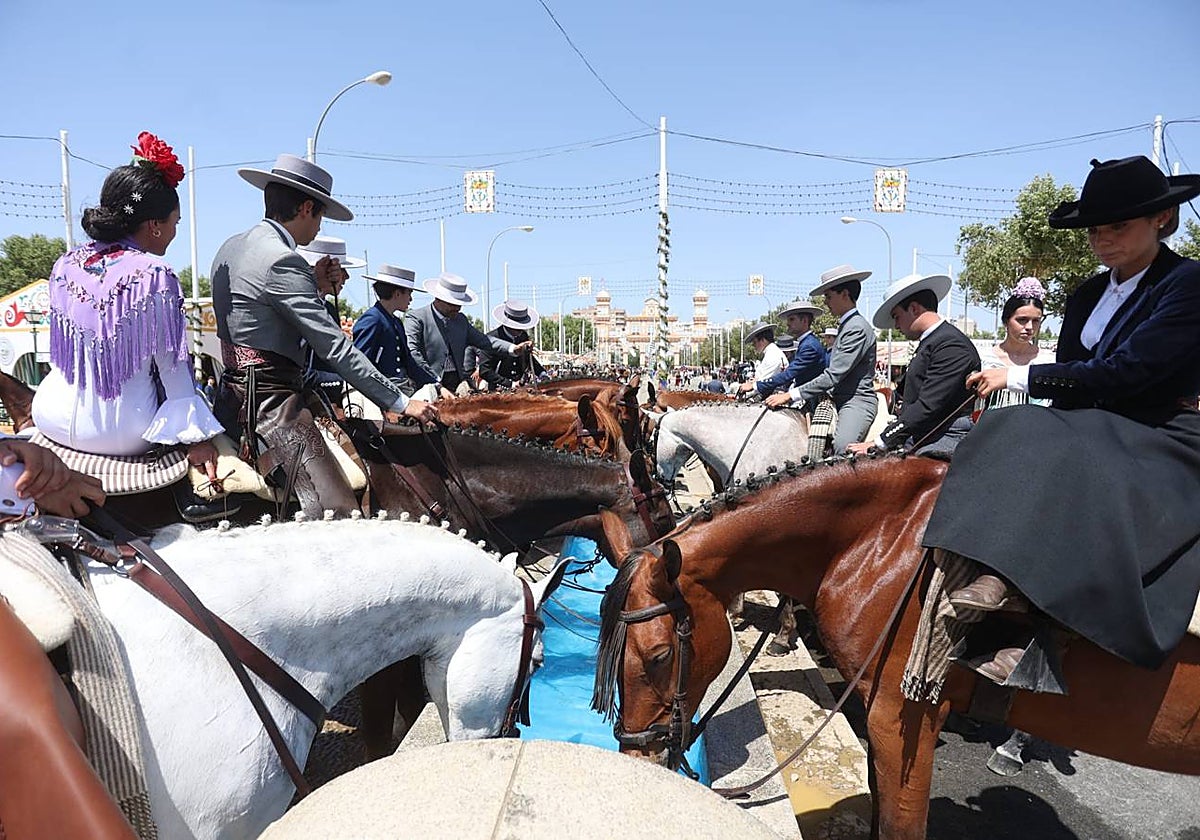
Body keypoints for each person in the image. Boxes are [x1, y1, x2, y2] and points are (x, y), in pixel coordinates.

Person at [922, 155, 1200, 684]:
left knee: (1053, 444)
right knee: (1008, 429)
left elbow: (1131, 372)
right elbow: (1077, 373)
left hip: (1161, 432)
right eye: (1096, 228)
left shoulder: (1188, 284)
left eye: (1118, 225)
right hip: (1092, 422)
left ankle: (1040, 627)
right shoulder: (1086, 294)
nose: (1103, 238)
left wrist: (1019, 378)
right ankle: (984, 569)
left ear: (1161, 219)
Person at [211, 154, 436, 518]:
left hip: (233, 394)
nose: (318, 230)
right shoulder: (283, 260)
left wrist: (312, 286)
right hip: (271, 404)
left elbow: (260, 314)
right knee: (339, 512)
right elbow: (335, 348)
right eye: (320, 217)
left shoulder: (232, 246)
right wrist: (401, 403)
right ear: (305, 208)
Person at [30, 133, 224, 495]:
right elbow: (172, 367)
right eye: (175, 223)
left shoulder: (66, 263)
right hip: (119, 435)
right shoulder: (155, 275)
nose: (174, 232)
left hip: (48, 415)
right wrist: (196, 440)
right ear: (154, 225)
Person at [847, 272, 979, 456]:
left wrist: (882, 441)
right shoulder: (933, 342)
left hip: (946, 434)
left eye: (896, 316)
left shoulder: (950, 345)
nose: (896, 325)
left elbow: (928, 405)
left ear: (914, 309)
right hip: (926, 431)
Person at [767, 264, 879, 453]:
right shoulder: (847, 325)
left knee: (843, 447)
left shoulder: (856, 328)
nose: (826, 302)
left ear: (844, 294)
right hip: (838, 397)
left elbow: (832, 376)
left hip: (855, 400)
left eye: (828, 296)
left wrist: (789, 395)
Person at [405, 273, 532, 399]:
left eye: (459, 304)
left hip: (457, 384)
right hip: (426, 387)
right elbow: (413, 354)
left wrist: (512, 348)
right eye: (452, 304)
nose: (458, 308)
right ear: (438, 299)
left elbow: (484, 340)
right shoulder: (416, 318)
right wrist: (436, 384)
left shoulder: (461, 321)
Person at [296, 235, 365, 408]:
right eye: (341, 269)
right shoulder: (295, 306)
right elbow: (300, 373)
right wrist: (343, 381)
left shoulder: (330, 309)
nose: (347, 277)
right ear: (321, 269)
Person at [352, 263, 439, 399]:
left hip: (401, 388)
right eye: (409, 293)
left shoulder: (396, 322)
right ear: (397, 293)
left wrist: (436, 385)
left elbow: (409, 362)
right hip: (380, 392)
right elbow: (361, 363)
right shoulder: (372, 319)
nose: (411, 299)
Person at [974, 277, 1056, 415]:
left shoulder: (1048, 361)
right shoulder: (984, 359)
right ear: (1006, 321)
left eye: (1036, 321)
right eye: (1022, 320)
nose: (1029, 327)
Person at [754, 300, 827, 400]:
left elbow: (789, 374)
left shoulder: (809, 346)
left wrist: (756, 386)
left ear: (804, 320)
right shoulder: (806, 343)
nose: (788, 324)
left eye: (792, 319)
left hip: (812, 400)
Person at [478, 300, 545, 391]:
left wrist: (542, 373)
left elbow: (528, 359)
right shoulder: (491, 339)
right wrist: (509, 384)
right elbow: (485, 371)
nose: (520, 330)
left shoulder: (523, 336)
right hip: (498, 390)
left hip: (521, 388)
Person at [736, 321, 787, 397]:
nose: (754, 346)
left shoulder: (773, 355)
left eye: (754, 342)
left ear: (763, 340)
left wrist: (750, 386)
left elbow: (764, 383)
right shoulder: (770, 353)